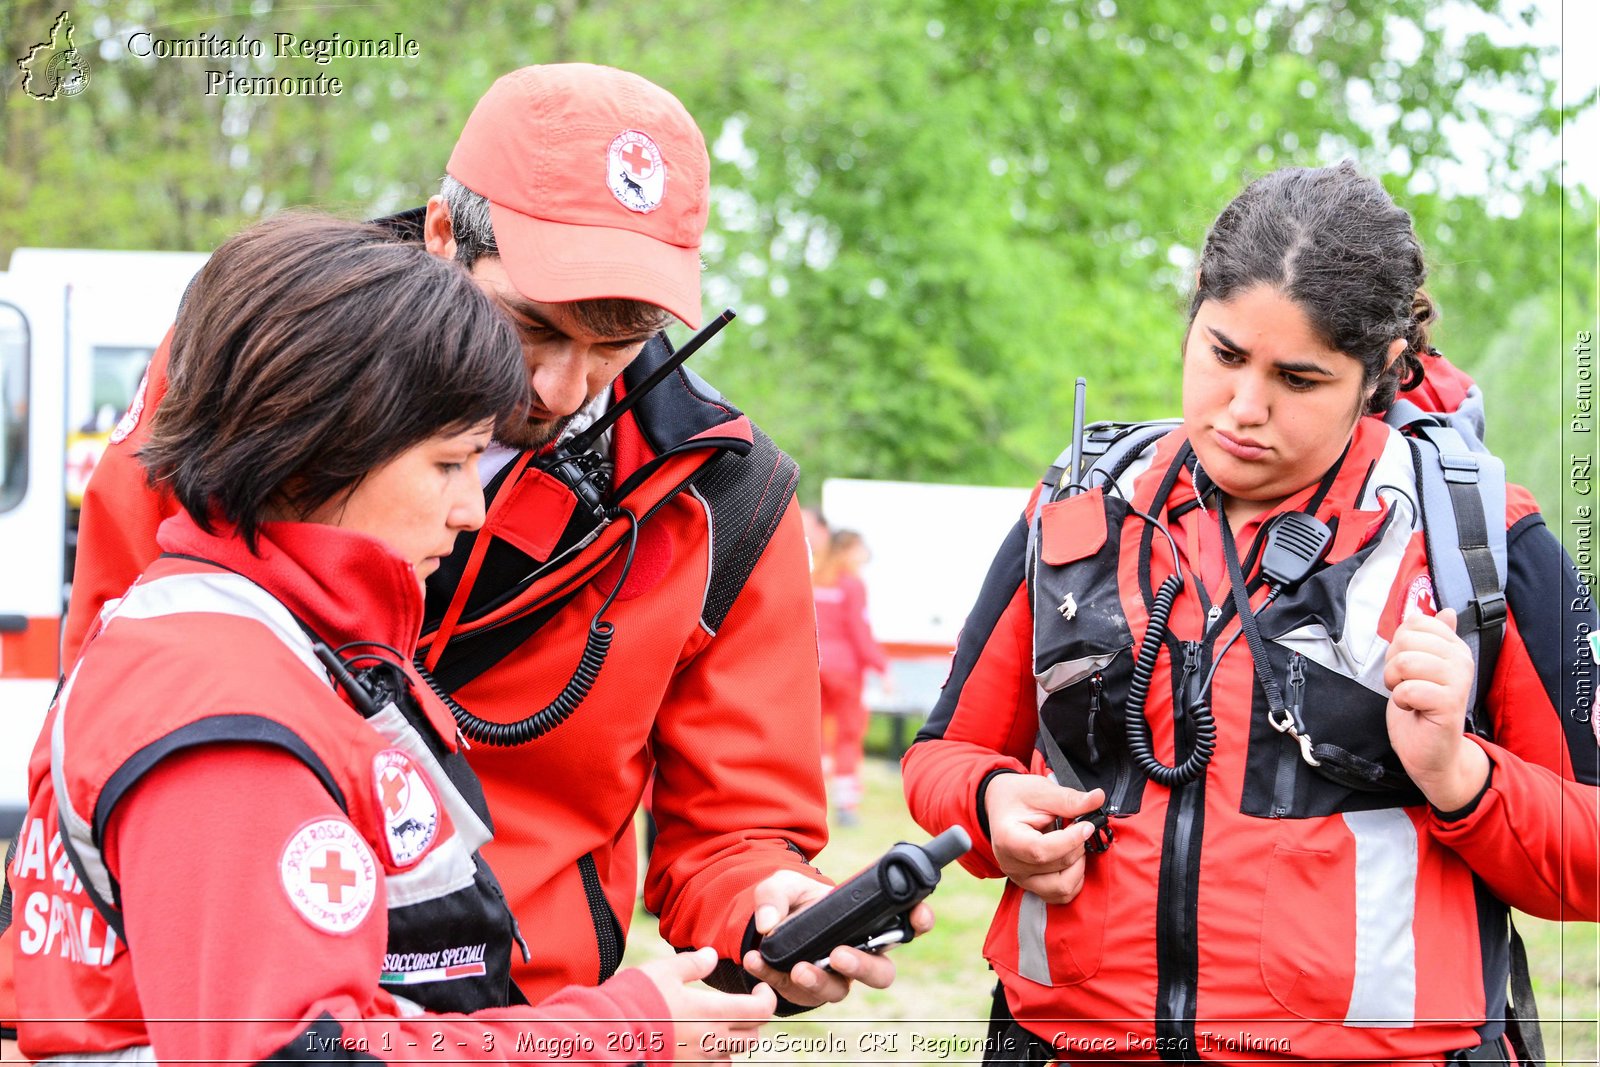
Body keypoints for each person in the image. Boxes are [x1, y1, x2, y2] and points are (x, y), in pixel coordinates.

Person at [38, 62, 925, 1011]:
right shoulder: (256, 362)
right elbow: (117, 685)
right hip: (220, 982)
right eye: (530, 328)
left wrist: (765, 905)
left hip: (520, 1020)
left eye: (616, 344)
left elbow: (734, 829)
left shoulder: (729, 497)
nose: (561, 390)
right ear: (439, 235)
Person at [1, 214, 775, 1062]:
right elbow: (299, 1053)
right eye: (448, 463)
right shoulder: (231, 712)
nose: (469, 508)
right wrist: (619, 1030)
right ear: (308, 455)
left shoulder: (244, 646)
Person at [903, 162, 1600, 1063]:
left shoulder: (1482, 539)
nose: (1243, 409)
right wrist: (991, 802)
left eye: (1299, 379)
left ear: (1382, 370)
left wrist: (1462, 775)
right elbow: (939, 757)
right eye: (1224, 354)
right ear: (1195, 306)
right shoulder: (1075, 505)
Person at [812, 529, 889, 824]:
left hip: (814, 665)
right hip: (844, 670)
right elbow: (860, 632)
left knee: (814, 736)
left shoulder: (814, 580)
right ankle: (846, 806)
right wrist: (881, 667)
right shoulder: (852, 584)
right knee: (848, 735)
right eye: (860, 549)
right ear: (847, 551)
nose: (863, 555)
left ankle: (812, 800)